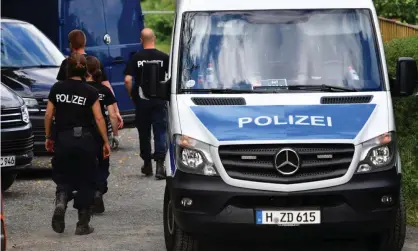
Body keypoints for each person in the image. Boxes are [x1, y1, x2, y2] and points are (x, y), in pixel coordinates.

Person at [45, 53, 111, 235]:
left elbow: (49, 115)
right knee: (87, 178)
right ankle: (82, 224)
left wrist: (49, 136)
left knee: (64, 175)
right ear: (85, 71)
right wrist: (105, 141)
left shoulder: (57, 88)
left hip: (63, 139)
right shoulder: (91, 91)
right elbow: (98, 117)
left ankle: (61, 200)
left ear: (67, 69)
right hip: (86, 141)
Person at [57, 29, 124, 144]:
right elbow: (107, 86)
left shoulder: (67, 63)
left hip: (72, 118)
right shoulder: (94, 61)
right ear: (85, 43)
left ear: (70, 44)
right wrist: (116, 110)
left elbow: (60, 88)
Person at [124, 28, 169, 180]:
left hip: (142, 101)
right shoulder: (164, 57)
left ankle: (147, 164)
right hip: (160, 100)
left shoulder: (136, 57)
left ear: (141, 40)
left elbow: (128, 80)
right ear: (154, 38)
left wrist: (132, 95)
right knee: (160, 132)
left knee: (144, 133)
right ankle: (160, 166)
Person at [85, 55, 119, 214]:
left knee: (87, 166)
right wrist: (114, 135)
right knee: (102, 166)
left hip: (84, 133)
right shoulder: (104, 90)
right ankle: (99, 191)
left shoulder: (81, 89)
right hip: (100, 133)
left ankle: (89, 195)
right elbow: (112, 115)